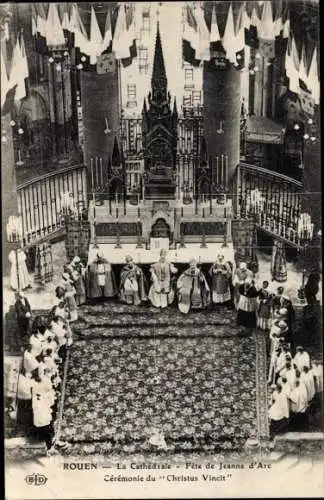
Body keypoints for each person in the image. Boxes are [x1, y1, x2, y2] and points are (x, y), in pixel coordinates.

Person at [16, 368, 35, 433]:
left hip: (23, 397)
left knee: (23, 411)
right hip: (25, 398)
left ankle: (22, 426)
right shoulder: (23, 379)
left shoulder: (21, 378)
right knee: (24, 411)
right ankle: (23, 426)